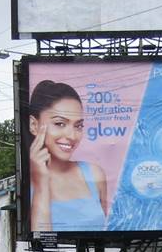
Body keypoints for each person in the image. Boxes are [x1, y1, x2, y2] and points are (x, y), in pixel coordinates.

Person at [26, 80, 110, 233]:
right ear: (34, 125)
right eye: (59, 124)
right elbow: (41, 238)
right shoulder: (25, 186)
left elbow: (106, 235)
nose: (72, 136)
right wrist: (41, 186)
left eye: (78, 126)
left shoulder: (94, 174)